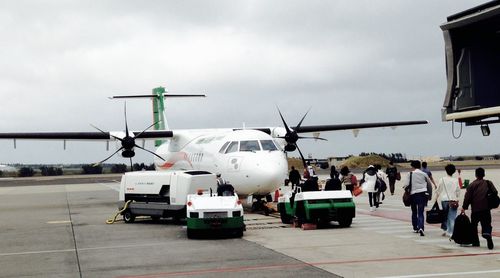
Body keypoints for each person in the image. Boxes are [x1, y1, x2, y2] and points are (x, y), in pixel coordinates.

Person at [461, 167, 498, 249]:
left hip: (475, 209)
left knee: (474, 226)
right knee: (487, 224)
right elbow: (495, 192)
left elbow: (467, 197)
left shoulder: (471, 185)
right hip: (486, 208)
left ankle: (476, 242)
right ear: (484, 174)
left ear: (476, 175)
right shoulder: (488, 183)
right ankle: (488, 235)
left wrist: (464, 207)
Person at [404, 160, 432, 236]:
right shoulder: (424, 174)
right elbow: (429, 185)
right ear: (419, 166)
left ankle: (415, 227)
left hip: (413, 194)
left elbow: (406, 185)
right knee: (421, 212)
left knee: (414, 212)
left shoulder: (409, 174)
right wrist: (430, 195)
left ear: (412, 166)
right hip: (422, 194)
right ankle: (421, 228)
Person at [434, 164, 461, 237]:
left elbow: (438, 190)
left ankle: (447, 230)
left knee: (445, 216)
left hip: (444, 200)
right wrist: (457, 197)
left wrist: (435, 198)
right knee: (452, 217)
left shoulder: (442, 179)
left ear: (446, 171)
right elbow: (458, 191)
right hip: (453, 200)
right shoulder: (455, 180)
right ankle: (451, 232)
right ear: (454, 171)